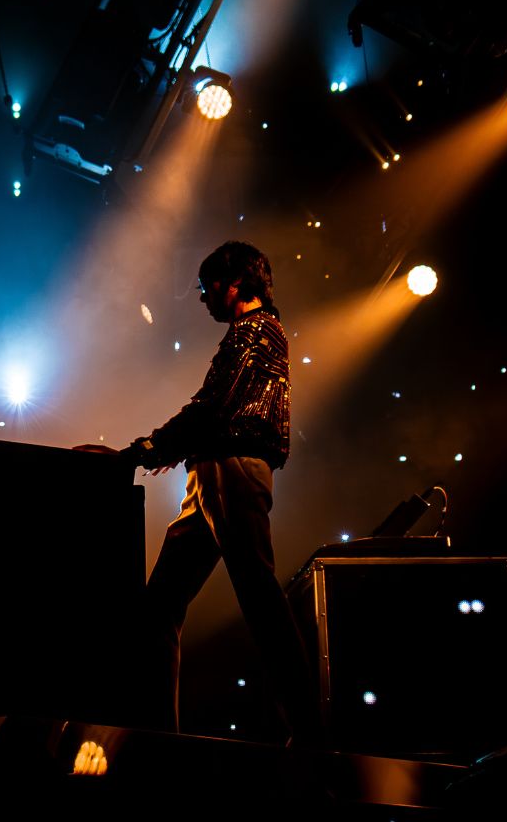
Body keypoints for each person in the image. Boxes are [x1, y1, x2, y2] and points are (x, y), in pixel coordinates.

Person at [96, 241, 322, 743]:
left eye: (206, 287)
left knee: (260, 600)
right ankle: (157, 734)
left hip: (230, 470)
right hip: (214, 473)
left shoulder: (253, 331)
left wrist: (143, 450)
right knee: (159, 610)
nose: (201, 298)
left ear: (234, 283)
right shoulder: (259, 333)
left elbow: (211, 407)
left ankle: (310, 733)